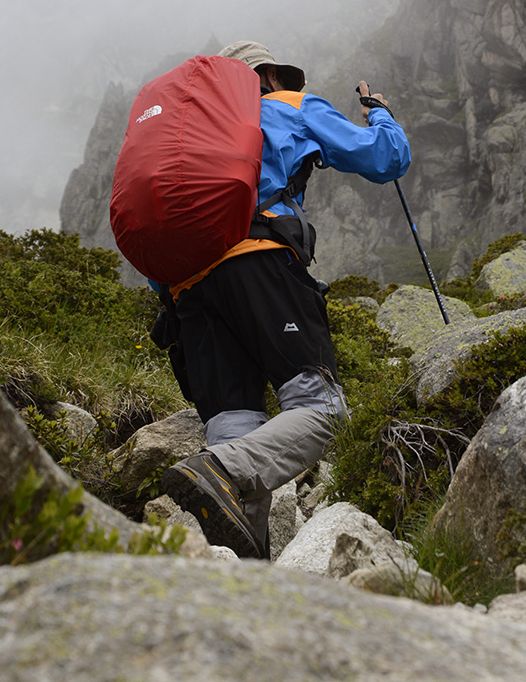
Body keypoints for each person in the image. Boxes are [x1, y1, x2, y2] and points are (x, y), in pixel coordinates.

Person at [160, 40, 411, 557]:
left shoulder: (184, 137)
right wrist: (382, 114)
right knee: (325, 409)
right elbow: (386, 159)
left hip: (188, 293)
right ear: (269, 75)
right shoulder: (286, 106)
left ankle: (242, 575)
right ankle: (225, 468)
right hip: (258, 264)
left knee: (234, 425)